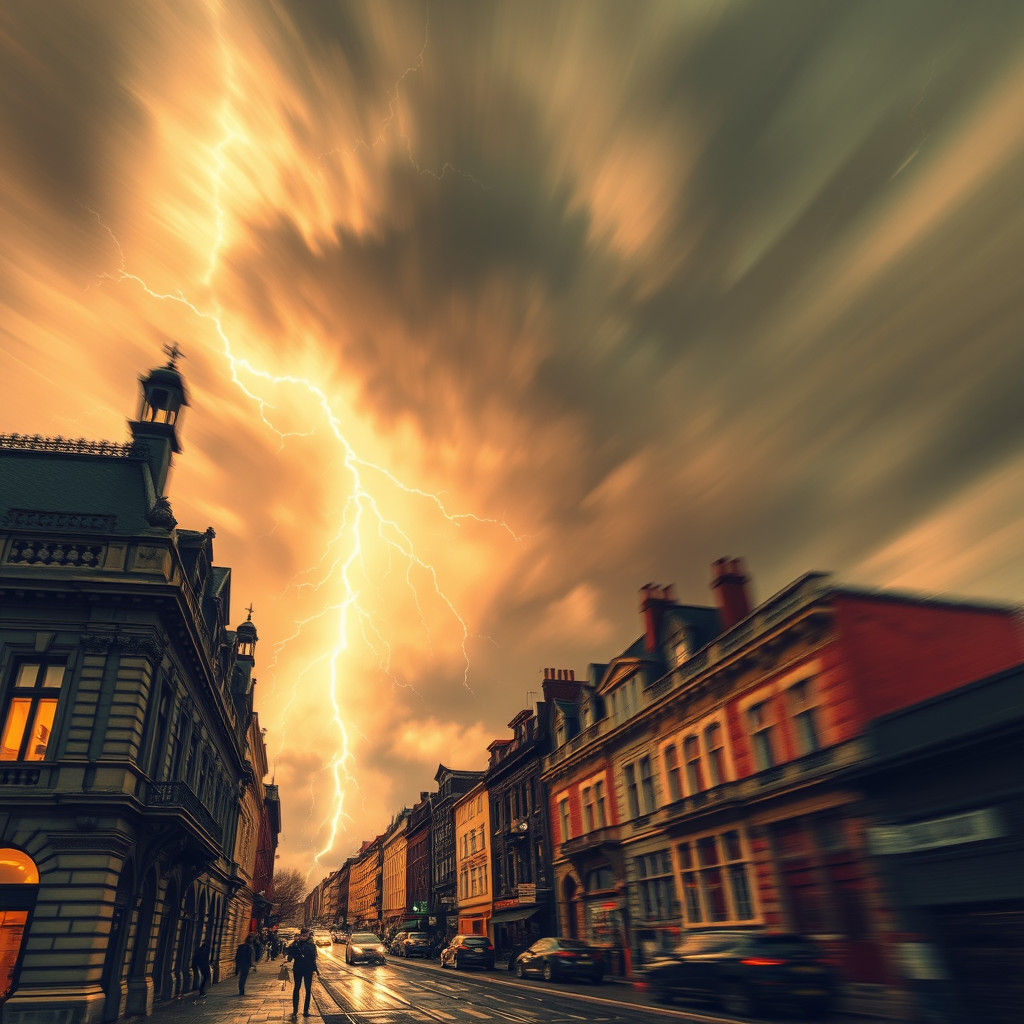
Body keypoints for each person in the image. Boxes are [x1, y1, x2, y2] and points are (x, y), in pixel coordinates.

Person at [286, 928, 319, 1018]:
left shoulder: (308, 945)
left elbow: (313, 958)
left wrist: (315, 969)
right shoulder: (298, 944)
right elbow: (290, 958)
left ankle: (301, 1011)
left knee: (304, 989)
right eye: (304, 935)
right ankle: (299, 1011)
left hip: (303, 969)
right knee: (300, 988)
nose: (304, 936)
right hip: (302, 968)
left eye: (306, 935)